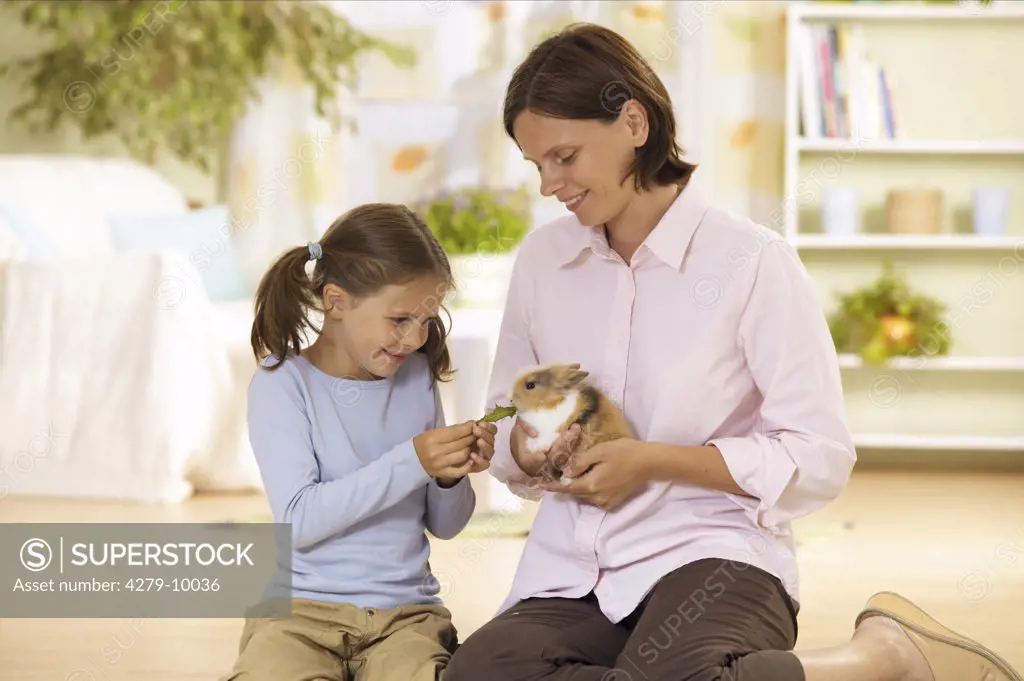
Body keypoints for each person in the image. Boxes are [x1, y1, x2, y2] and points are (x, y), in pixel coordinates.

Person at [444, 22, 1022, 681]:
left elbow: (819, 453)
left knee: (676, 673)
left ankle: (881, 657)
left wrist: (654, 462)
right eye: (536, 164)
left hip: (713, 553)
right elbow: (504, 412)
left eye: (565, 156)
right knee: (475, 674)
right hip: (574, 566)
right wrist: (530, 447)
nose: (549, 183)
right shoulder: (544, 262)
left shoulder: (752, 261)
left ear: (634, 122)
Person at [222, 203, 498, 681]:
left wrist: (449, 477)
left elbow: (447, 526)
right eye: (400, 319)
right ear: (336, 302)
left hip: (405, 615)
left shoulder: (416, 379)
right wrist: (414, 460)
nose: (415, 338)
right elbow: (300, 519)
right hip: (298, 615)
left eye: (427, 320)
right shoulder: (283, 385)